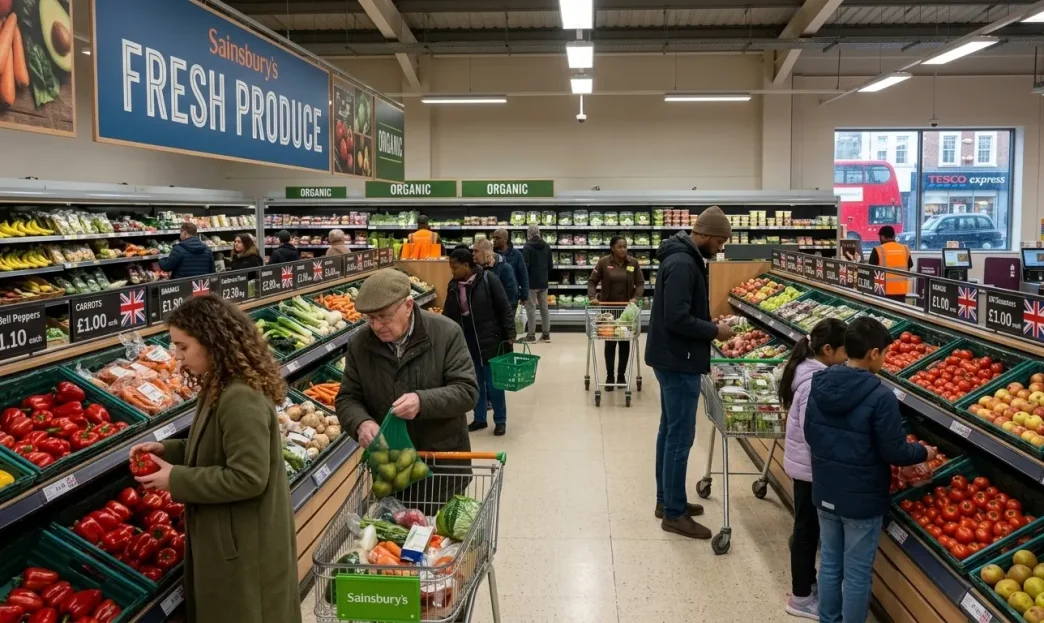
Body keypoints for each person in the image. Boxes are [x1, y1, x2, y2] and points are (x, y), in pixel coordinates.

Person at [130, 295, 300, 623]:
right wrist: (167, 451)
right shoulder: (220, 385)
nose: (178, 357)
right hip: (231, 537)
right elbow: (215, 446)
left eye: (183, 347)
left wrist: (175, 479)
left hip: (246, 546)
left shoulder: (241, 397)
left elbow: (248, 477)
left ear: (211, 341)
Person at [804, 317, 935, 623]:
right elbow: (894, 451)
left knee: (830, 562)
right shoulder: (881, 396)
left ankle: (828, 619)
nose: (885, 359)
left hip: (825, 489)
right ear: (874, 353)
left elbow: (810, 434)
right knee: (857, 573)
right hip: (861, 498)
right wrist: (923, 452)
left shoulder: (819, 384)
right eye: (885, 353)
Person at [335, 269, 478, 508]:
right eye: (370, 318)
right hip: (391, 471)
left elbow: (467, 391)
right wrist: (361, 423)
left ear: (408, 306)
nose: (377, 326)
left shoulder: (446, 333)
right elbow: (347, 398)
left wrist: (422, 402)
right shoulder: (360, 344)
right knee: (397, 528)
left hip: (442, 466)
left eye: (384, 316)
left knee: (441, 529)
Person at [644, 206, 734, 539]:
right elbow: (677, 318)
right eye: (720, 241)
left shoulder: (681, 257)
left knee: (669, 432)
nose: (721, 247)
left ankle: (667, 501)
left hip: (670, 356)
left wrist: (707, 323)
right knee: (680, 438)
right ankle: (674, 514)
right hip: (678, 360)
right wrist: (714, 331)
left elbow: (679, 312)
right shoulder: (683, 263)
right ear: (706, 234)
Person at [779, 318, 848, 621]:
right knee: (806, 532)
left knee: (806, 529)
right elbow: (814, 431)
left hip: (805, 467)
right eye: (845, 351)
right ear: (828, 350)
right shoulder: (813, 383)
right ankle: (800, 597)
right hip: (810, 469)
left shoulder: (807, 372)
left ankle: (807, 584)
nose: (847, 357)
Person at [443, 247, 515, 436]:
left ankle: (500, 420)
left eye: (455, 267)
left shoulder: (489, 279)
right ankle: (479, 418)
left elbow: (504, 307)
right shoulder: (453, 285)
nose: (452, 271)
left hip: (490, 339)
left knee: (494, 384)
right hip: (467, 341)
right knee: (474, 382)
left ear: (467, 265)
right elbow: (448, 314)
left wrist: (510, 334)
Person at [588, 235, 644, 392]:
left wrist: (635, 298)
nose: (623, 249)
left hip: (627, 310)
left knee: (625, 341)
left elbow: (640, 283)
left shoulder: (632, 263)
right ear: (612, 248)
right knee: (610, 342)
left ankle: (621, 375)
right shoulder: (603, 262)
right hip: (608, 310)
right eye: (620, 247)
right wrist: (592, 297)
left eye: (625, 246)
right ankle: (609, 376)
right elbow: (592, 281)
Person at [520, 225, 552, 343]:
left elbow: (525, 266)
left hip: (531, 282)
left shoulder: (527, 247)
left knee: (531, 308)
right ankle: (546, 334)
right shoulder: (546, 246)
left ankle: (531, 335)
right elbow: (550, 265)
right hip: (543, 282)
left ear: (529, 234)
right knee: (544, 308)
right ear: (539, 233)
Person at [868, 225, 912, 302]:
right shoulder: (905, 249)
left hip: (882, 291)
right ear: (894, 236)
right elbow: (908, 267)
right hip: (901, 291)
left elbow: (870, 271)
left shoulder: (878, 250)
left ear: (882, 237)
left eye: (879, 237)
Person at [492, 228, 529, 314]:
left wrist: (524, 295)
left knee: (509, 321)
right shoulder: (491, 255)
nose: (494, 240)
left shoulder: (516, 254)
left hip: (511, 297)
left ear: (505, 239)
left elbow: (523, 275)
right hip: (494, 297)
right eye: (494, 238)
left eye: (498, 238)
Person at [475, 238, 518, 310]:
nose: (473, 254)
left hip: (501, 310)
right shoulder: (476, 268)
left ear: (486, 253)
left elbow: (510, 293)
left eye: (476, 251)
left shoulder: (505, 268)